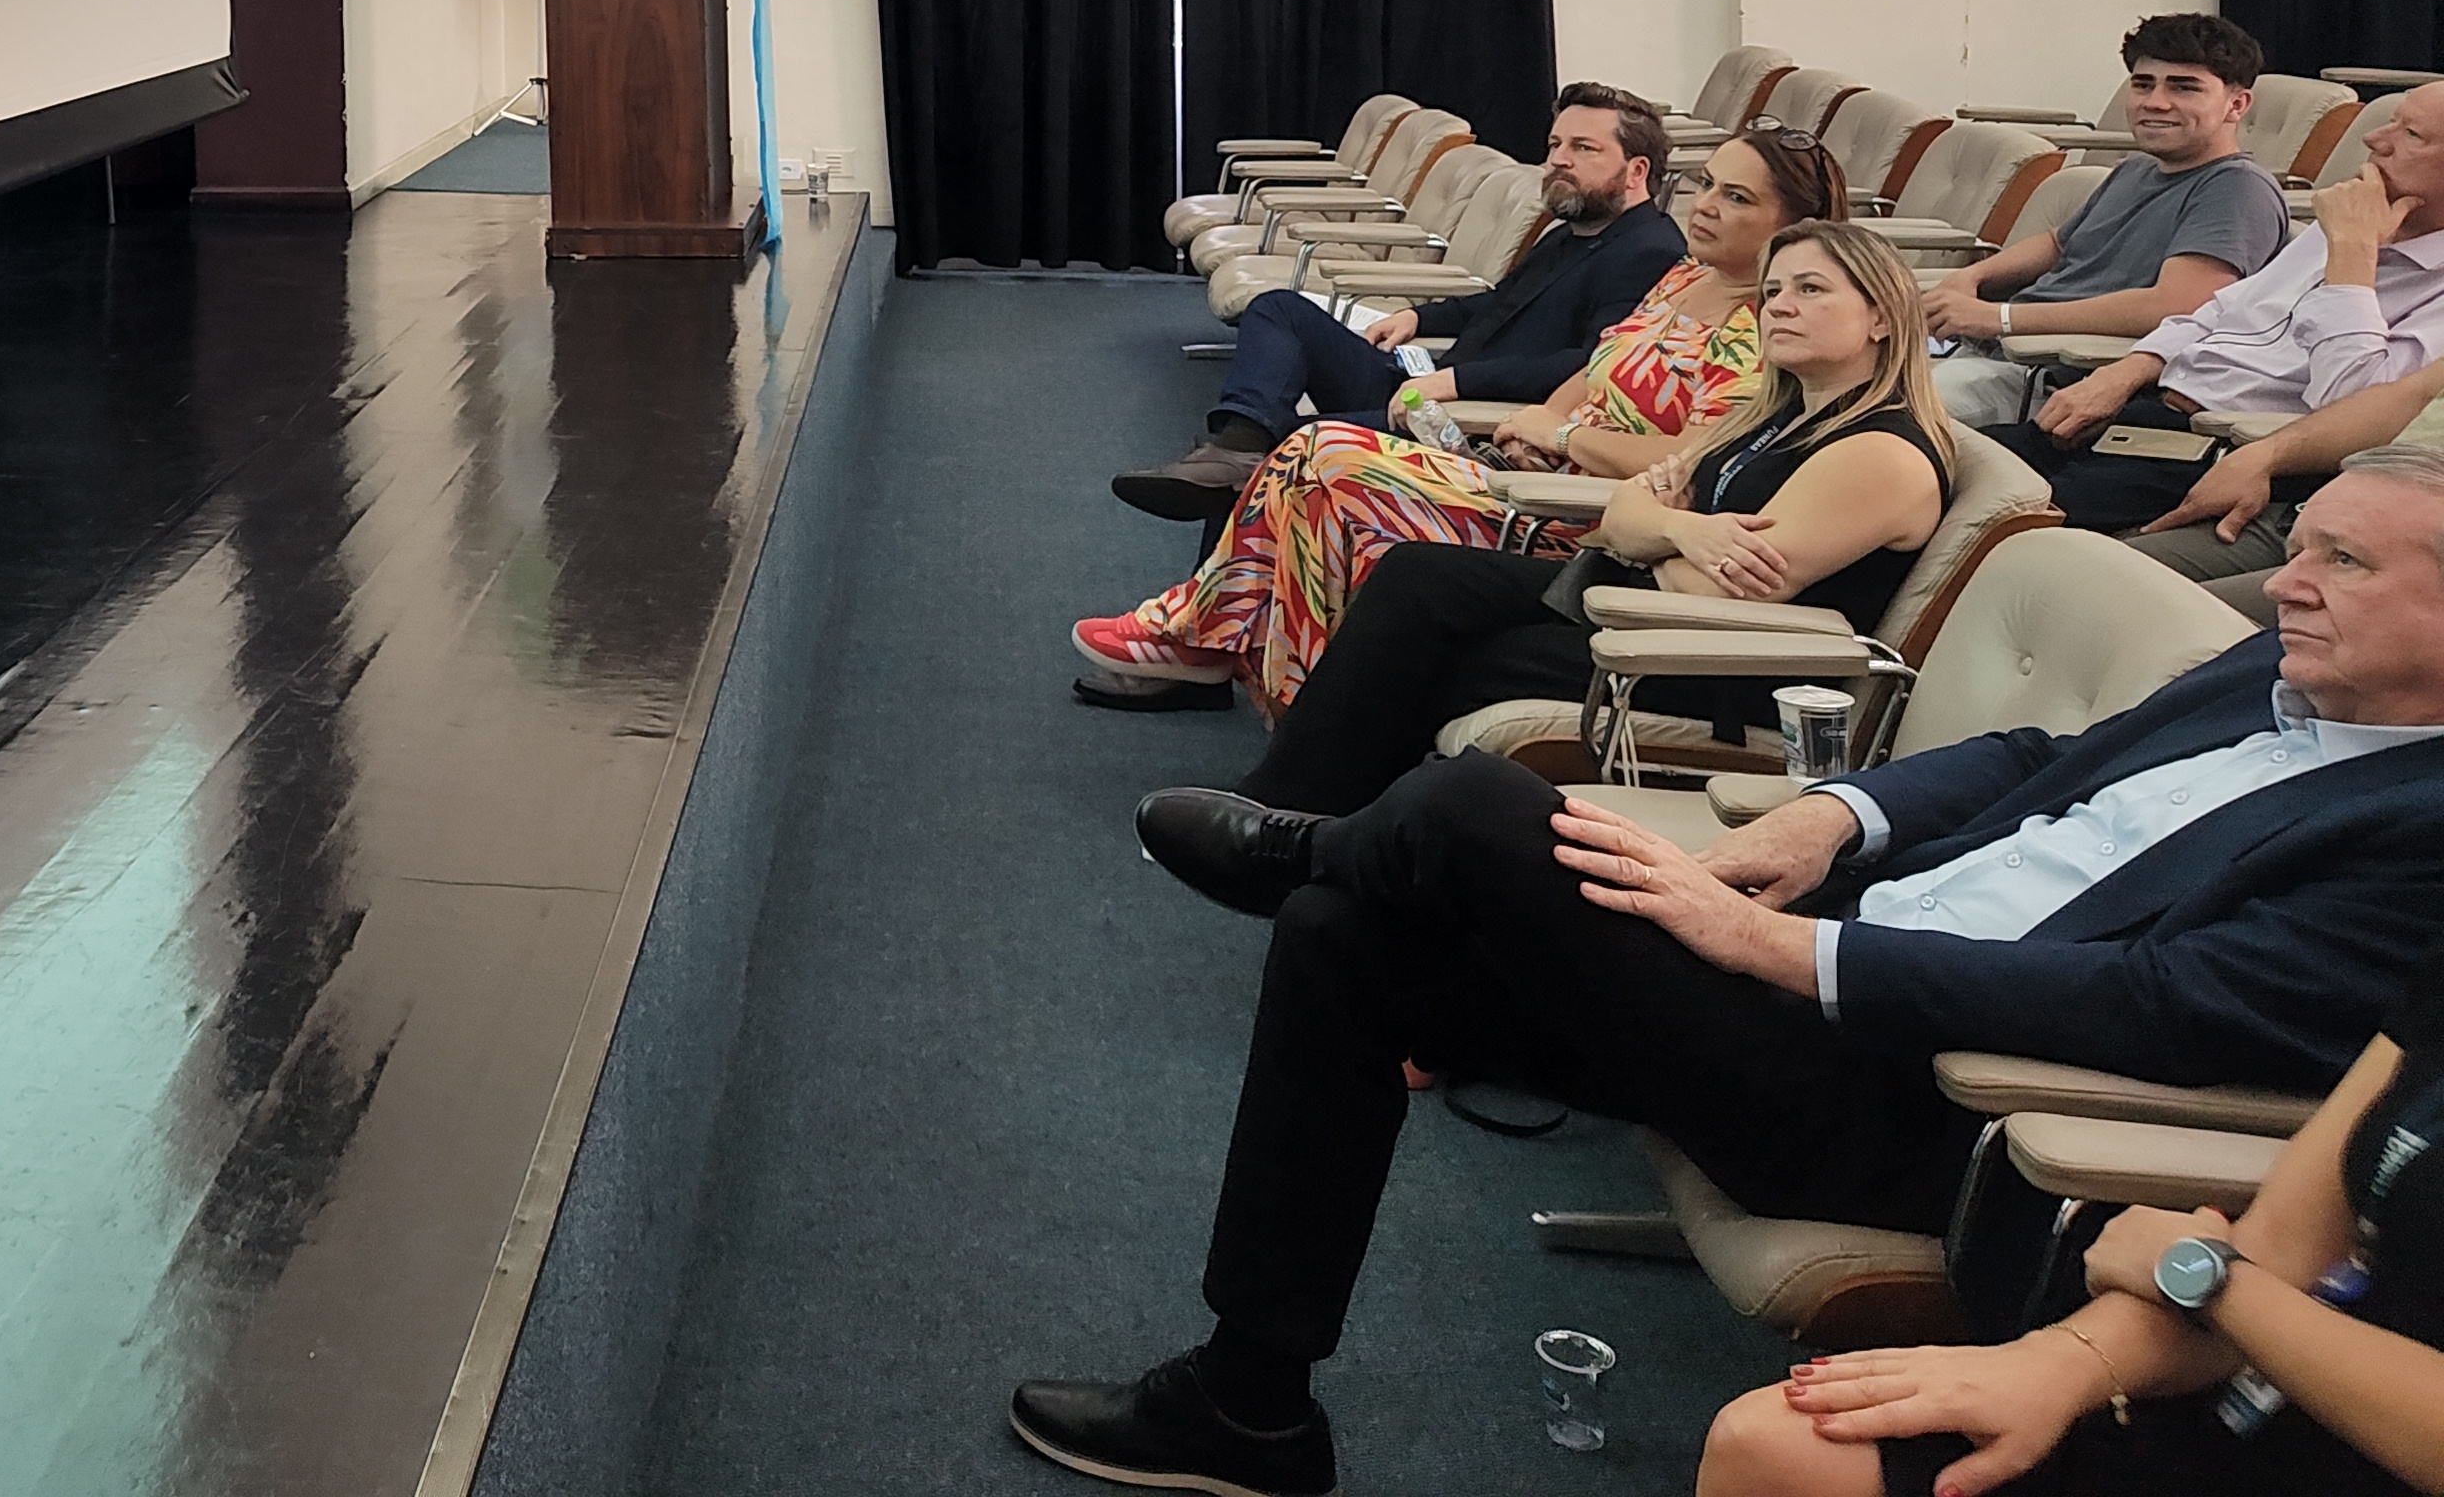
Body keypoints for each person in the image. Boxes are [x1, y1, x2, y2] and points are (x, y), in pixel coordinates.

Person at [1009, 457, 2444, 1497]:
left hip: (1922, 1099)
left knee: (1469, 808)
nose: (2287, 580)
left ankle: (1312, 844)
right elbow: (2038, 761)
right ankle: (1250, 1406)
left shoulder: (2422, 833)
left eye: (2344, 564)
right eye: (2304, 547)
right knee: (1346, 940)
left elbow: (2164, 1005)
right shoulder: (2270, 676)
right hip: (1820, 968)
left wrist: (1788, 949)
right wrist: (1838, 817)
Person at [1126, 218, 1948, 807]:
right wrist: (1678, 527)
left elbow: (1717, 590)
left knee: (1442, 638)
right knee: (1416, 578)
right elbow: (1629, 515)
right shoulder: (1777, 416)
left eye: (1811, 290)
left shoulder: (1879, 452)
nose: (1779, 307)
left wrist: (1663, 527)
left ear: (1882, 316)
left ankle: (1296, 814)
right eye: (1772, 292)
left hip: (1713, 669)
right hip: (1636, 601)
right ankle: (1303, 811)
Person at [1068, 132, 1829, 714]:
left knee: (1325, 457)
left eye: (1736, 198)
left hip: (1581, 516)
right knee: (1311, 452)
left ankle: (1218, 647)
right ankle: (1253, 668)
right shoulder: (1687, 277)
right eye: (1706, 184)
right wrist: (1541, 419)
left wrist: (1564, 437)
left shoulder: (1765, 325)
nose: (1705, 205)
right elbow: (1597, 365)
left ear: (1794, 227)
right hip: (1527, 469)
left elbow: (1693, 459)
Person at [1698, 943, 2444, 1494]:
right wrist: (2060, 1361)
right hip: (2277, 1409)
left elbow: (2235, 1275)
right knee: (1774, 1448)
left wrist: (2214, 1282)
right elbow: (2285, 1242)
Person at [1117, 85, 1687, 510]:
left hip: (1471, 422)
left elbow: (1589, 367)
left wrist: (1455, 383)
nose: (1558, 159)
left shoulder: (1648, 252)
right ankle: (1234, 446)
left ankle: (1211, 579)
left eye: (1583, 148)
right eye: (1555, 144)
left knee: (1286, 451)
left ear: (1635, 170)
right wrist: (1418, 316)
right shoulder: (1575, 228)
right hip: (1425, 387)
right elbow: (1499, 303)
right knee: (1278, 309)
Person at [1999, 84, 2444, 573]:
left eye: (2411, 134)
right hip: (2139, 415)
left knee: (1992, 533)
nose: (2375, 139)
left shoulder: (2355, 238)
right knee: (1949, 468)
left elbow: (2352, 406)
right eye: (2390, 121)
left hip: (2219, 451)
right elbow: (2220, 311)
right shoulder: (2345, 221)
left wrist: (2352, 257)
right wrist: (2123, 372)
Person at [1918, 15, 2291, 427]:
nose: (2155, 102)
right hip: (1990, 349)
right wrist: (1970, 278)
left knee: (1880, 413)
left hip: (2049, 376)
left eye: (2184, 87)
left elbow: (2175, 307)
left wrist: (2001, 318)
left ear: (2237, 105)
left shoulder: (2237, 189)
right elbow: (2059, 242)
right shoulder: (2135, 170)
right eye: (2143, 84)